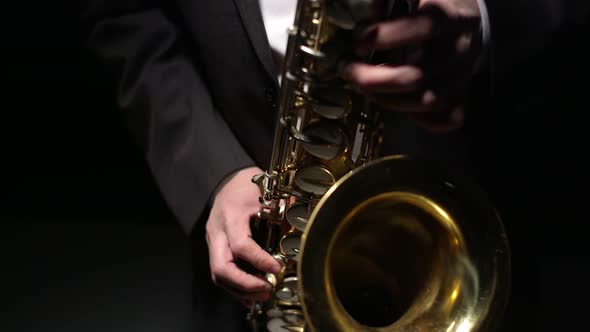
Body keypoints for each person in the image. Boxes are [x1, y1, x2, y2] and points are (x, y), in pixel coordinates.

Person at [81, 0, 589, 330]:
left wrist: (485, 18)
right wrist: (211, 171)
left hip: (466, 218)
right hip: (260, 243)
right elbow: (125, 16)